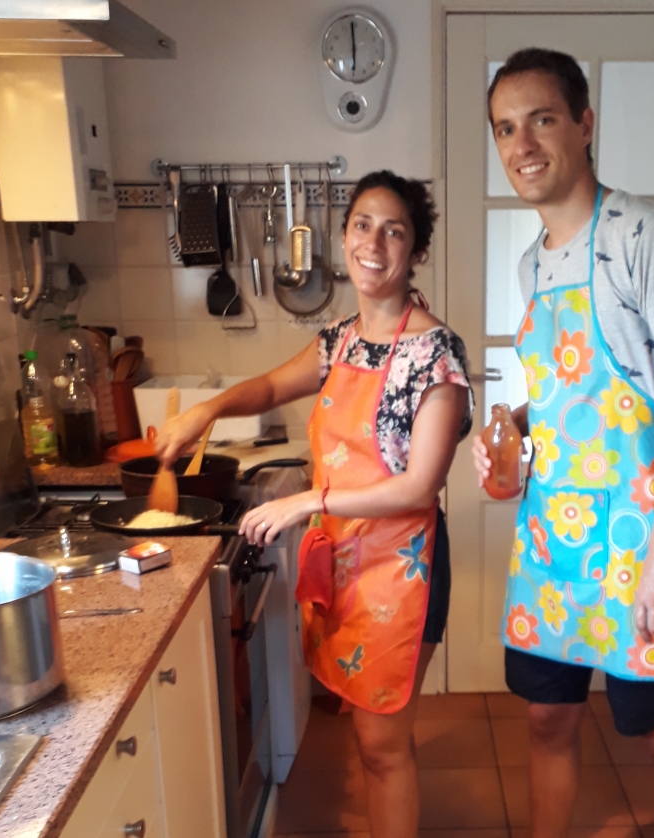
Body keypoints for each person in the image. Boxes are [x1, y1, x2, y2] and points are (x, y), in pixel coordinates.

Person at [157, 170, 474, 838]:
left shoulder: (436, 355)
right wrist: (207, 410)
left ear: (416, 250)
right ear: (344, 233)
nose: (373, 244)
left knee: (383, 746)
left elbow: (420, 485)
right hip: (347, 563)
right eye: (362, 225)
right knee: (372, 736)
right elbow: (272, 386)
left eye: (394, 231)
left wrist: (310, 500)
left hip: (404, 570)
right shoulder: (340, 340)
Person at [473, 49, 654, 838]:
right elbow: (568, 393)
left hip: (636, 543)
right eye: (505, 128)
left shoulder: (645, 234)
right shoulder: (531, 265)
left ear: (584, 124)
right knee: (547, 720)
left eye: (541, 119)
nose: (522, 145)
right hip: (553, 542)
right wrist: (515, 426)